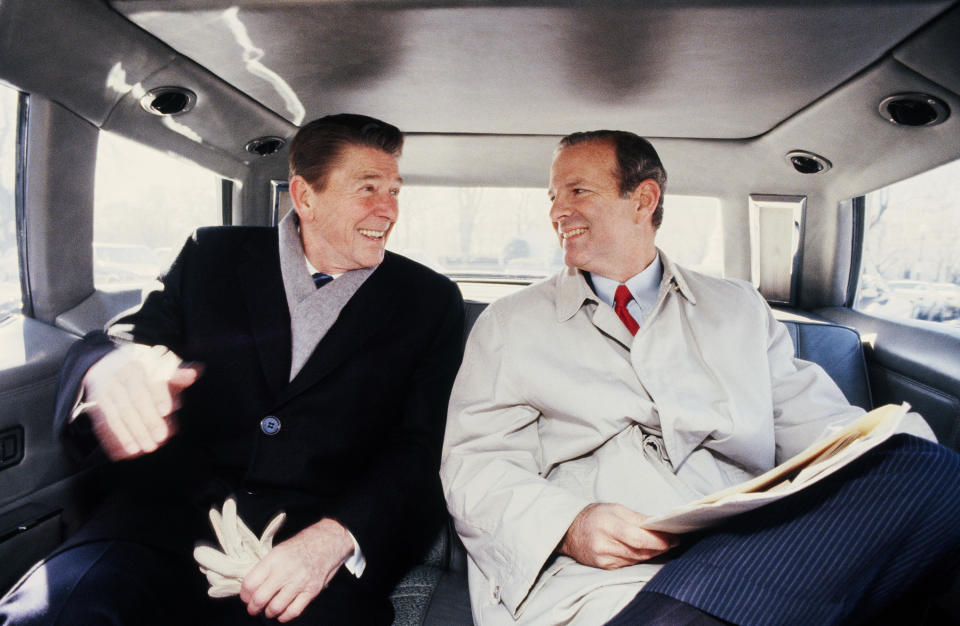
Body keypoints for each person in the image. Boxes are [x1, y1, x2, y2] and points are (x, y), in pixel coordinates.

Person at [440, 130, 960, 625]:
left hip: (752, 550)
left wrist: (890, 465)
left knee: (933, 469)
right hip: (602, 576)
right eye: (553, 196)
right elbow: (475, 465)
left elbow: (821, 425)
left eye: (577, 191)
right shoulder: (509, 324)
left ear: (643, 199)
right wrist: (571, 526)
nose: (557, 211)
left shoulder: (737, 307)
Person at [0, 113, 465, 625]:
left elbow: (420, 449)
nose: (389, 209)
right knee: (51, 613)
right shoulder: (210, 256)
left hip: (312, 549)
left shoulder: (429, 301)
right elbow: (128, 342)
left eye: (395, 190)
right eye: (368, 188)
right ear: (305, 197)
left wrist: (336, 537)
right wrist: (109, 370)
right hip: (164, 522)